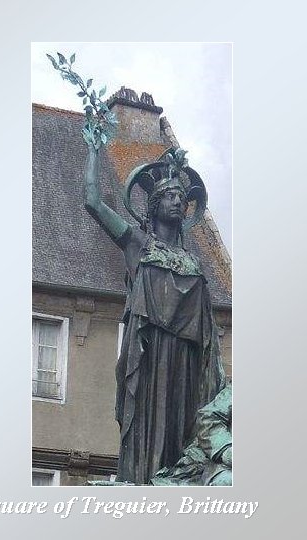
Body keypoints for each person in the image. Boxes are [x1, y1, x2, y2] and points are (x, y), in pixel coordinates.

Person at [83, 143, 225, 484]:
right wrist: (93, 150)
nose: (177, 201)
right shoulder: (137, 244)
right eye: (169, 196)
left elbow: (209, 328)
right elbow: (93, 202)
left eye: (181, 197)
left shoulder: (194, 263)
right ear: (153, 205)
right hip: (148, 354)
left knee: (183, 429)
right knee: (149, 429)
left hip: (188, 363)